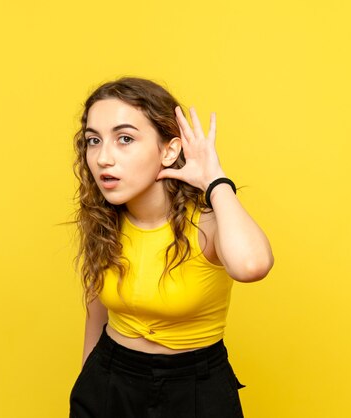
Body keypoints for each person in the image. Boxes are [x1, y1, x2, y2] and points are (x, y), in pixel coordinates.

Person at [68, 77, 274, 418]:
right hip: (109, 382)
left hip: (193, 390)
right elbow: (97, 315)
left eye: (124, 139)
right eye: (93, 140)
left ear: (169, 150)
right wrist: (86, 386)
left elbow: (252, 266)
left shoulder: (207, 224)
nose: (103, 157)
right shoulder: (103, 221)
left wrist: (215, 182)